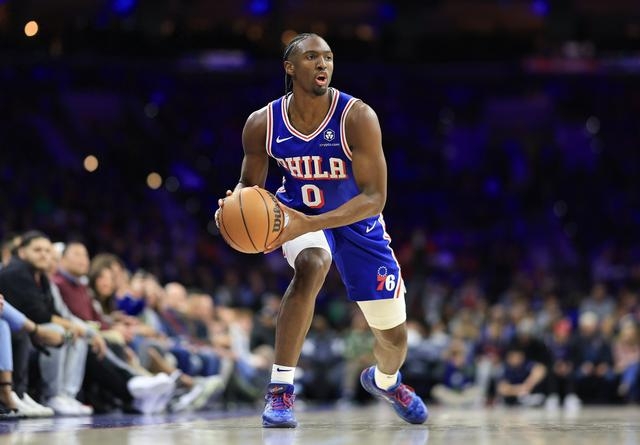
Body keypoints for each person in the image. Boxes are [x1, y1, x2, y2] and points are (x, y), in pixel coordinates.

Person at [216, 32, 427, 427]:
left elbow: (375, 198)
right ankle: (280, 391)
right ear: (290, 67)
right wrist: (233, 205)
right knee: (312, 264)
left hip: (358, 222)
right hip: (298, 211)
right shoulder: (262, 123)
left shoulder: (357, 117)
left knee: (393, 338)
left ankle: (386, 381)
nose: (323, 64)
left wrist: (311, 222)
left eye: (328, 57)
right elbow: (250, 185)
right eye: (312, 57)